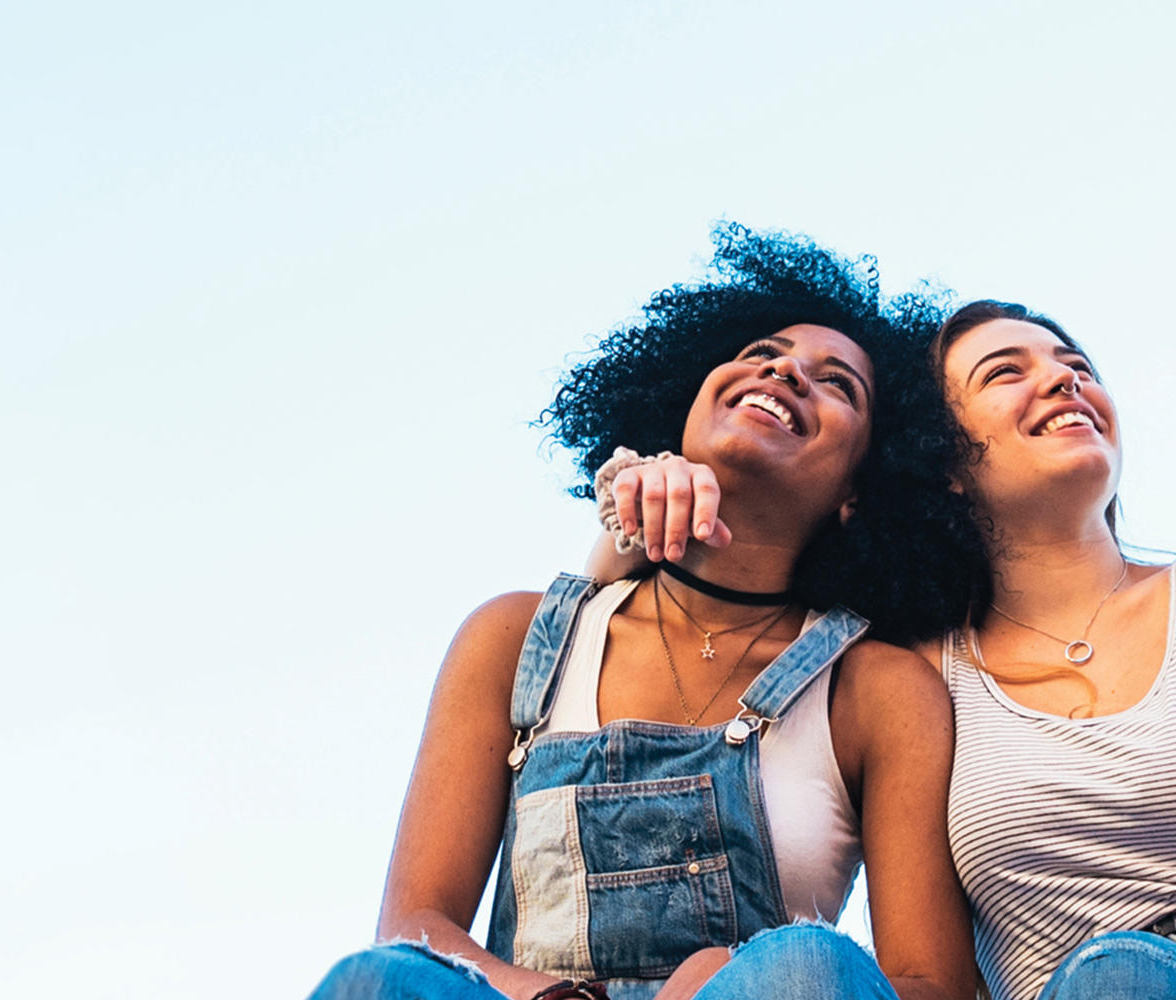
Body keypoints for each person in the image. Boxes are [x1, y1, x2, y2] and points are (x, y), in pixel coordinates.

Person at [601, 299, 1176, 1000]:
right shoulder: (913, 674)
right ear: (942, 460)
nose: (1063, 378)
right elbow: (735, 574)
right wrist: (647, 495)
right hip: (1081, 990)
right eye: (1007, 372)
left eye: (1076, 365)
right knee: (1120, 979)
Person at [309, 227, 977, 1000]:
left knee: (806, 969)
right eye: (763, 351)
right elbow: (415, 925)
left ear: (861, 492)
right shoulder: (517, 640)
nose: (785, 370)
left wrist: (745, 974)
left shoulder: (877, 689)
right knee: (375, 980)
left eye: (838, 384)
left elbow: (933, 984)